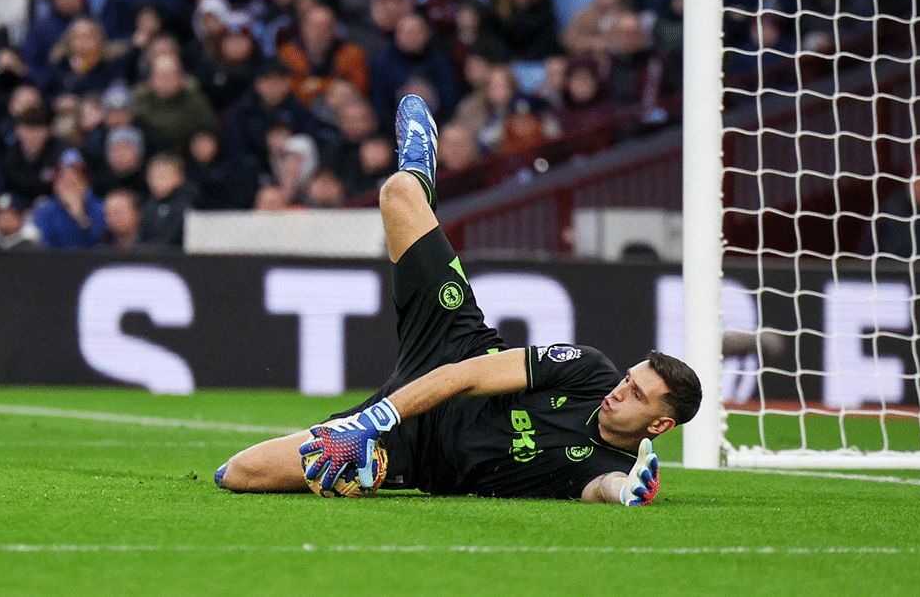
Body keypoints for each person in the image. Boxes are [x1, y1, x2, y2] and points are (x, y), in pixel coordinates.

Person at [216, 95, 699, 504]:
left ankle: (372, 468)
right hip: (452, 348)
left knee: (239, 474)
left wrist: (628, 490)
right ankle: (422, 170)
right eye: (630, 377)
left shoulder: (605, 464)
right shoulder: (590, 370)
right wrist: (368, 421)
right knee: (399, 192)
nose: (620, 389)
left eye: (635, 393)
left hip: (414, 449)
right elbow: (463, 376)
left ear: (660, 424)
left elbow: (602, 486)